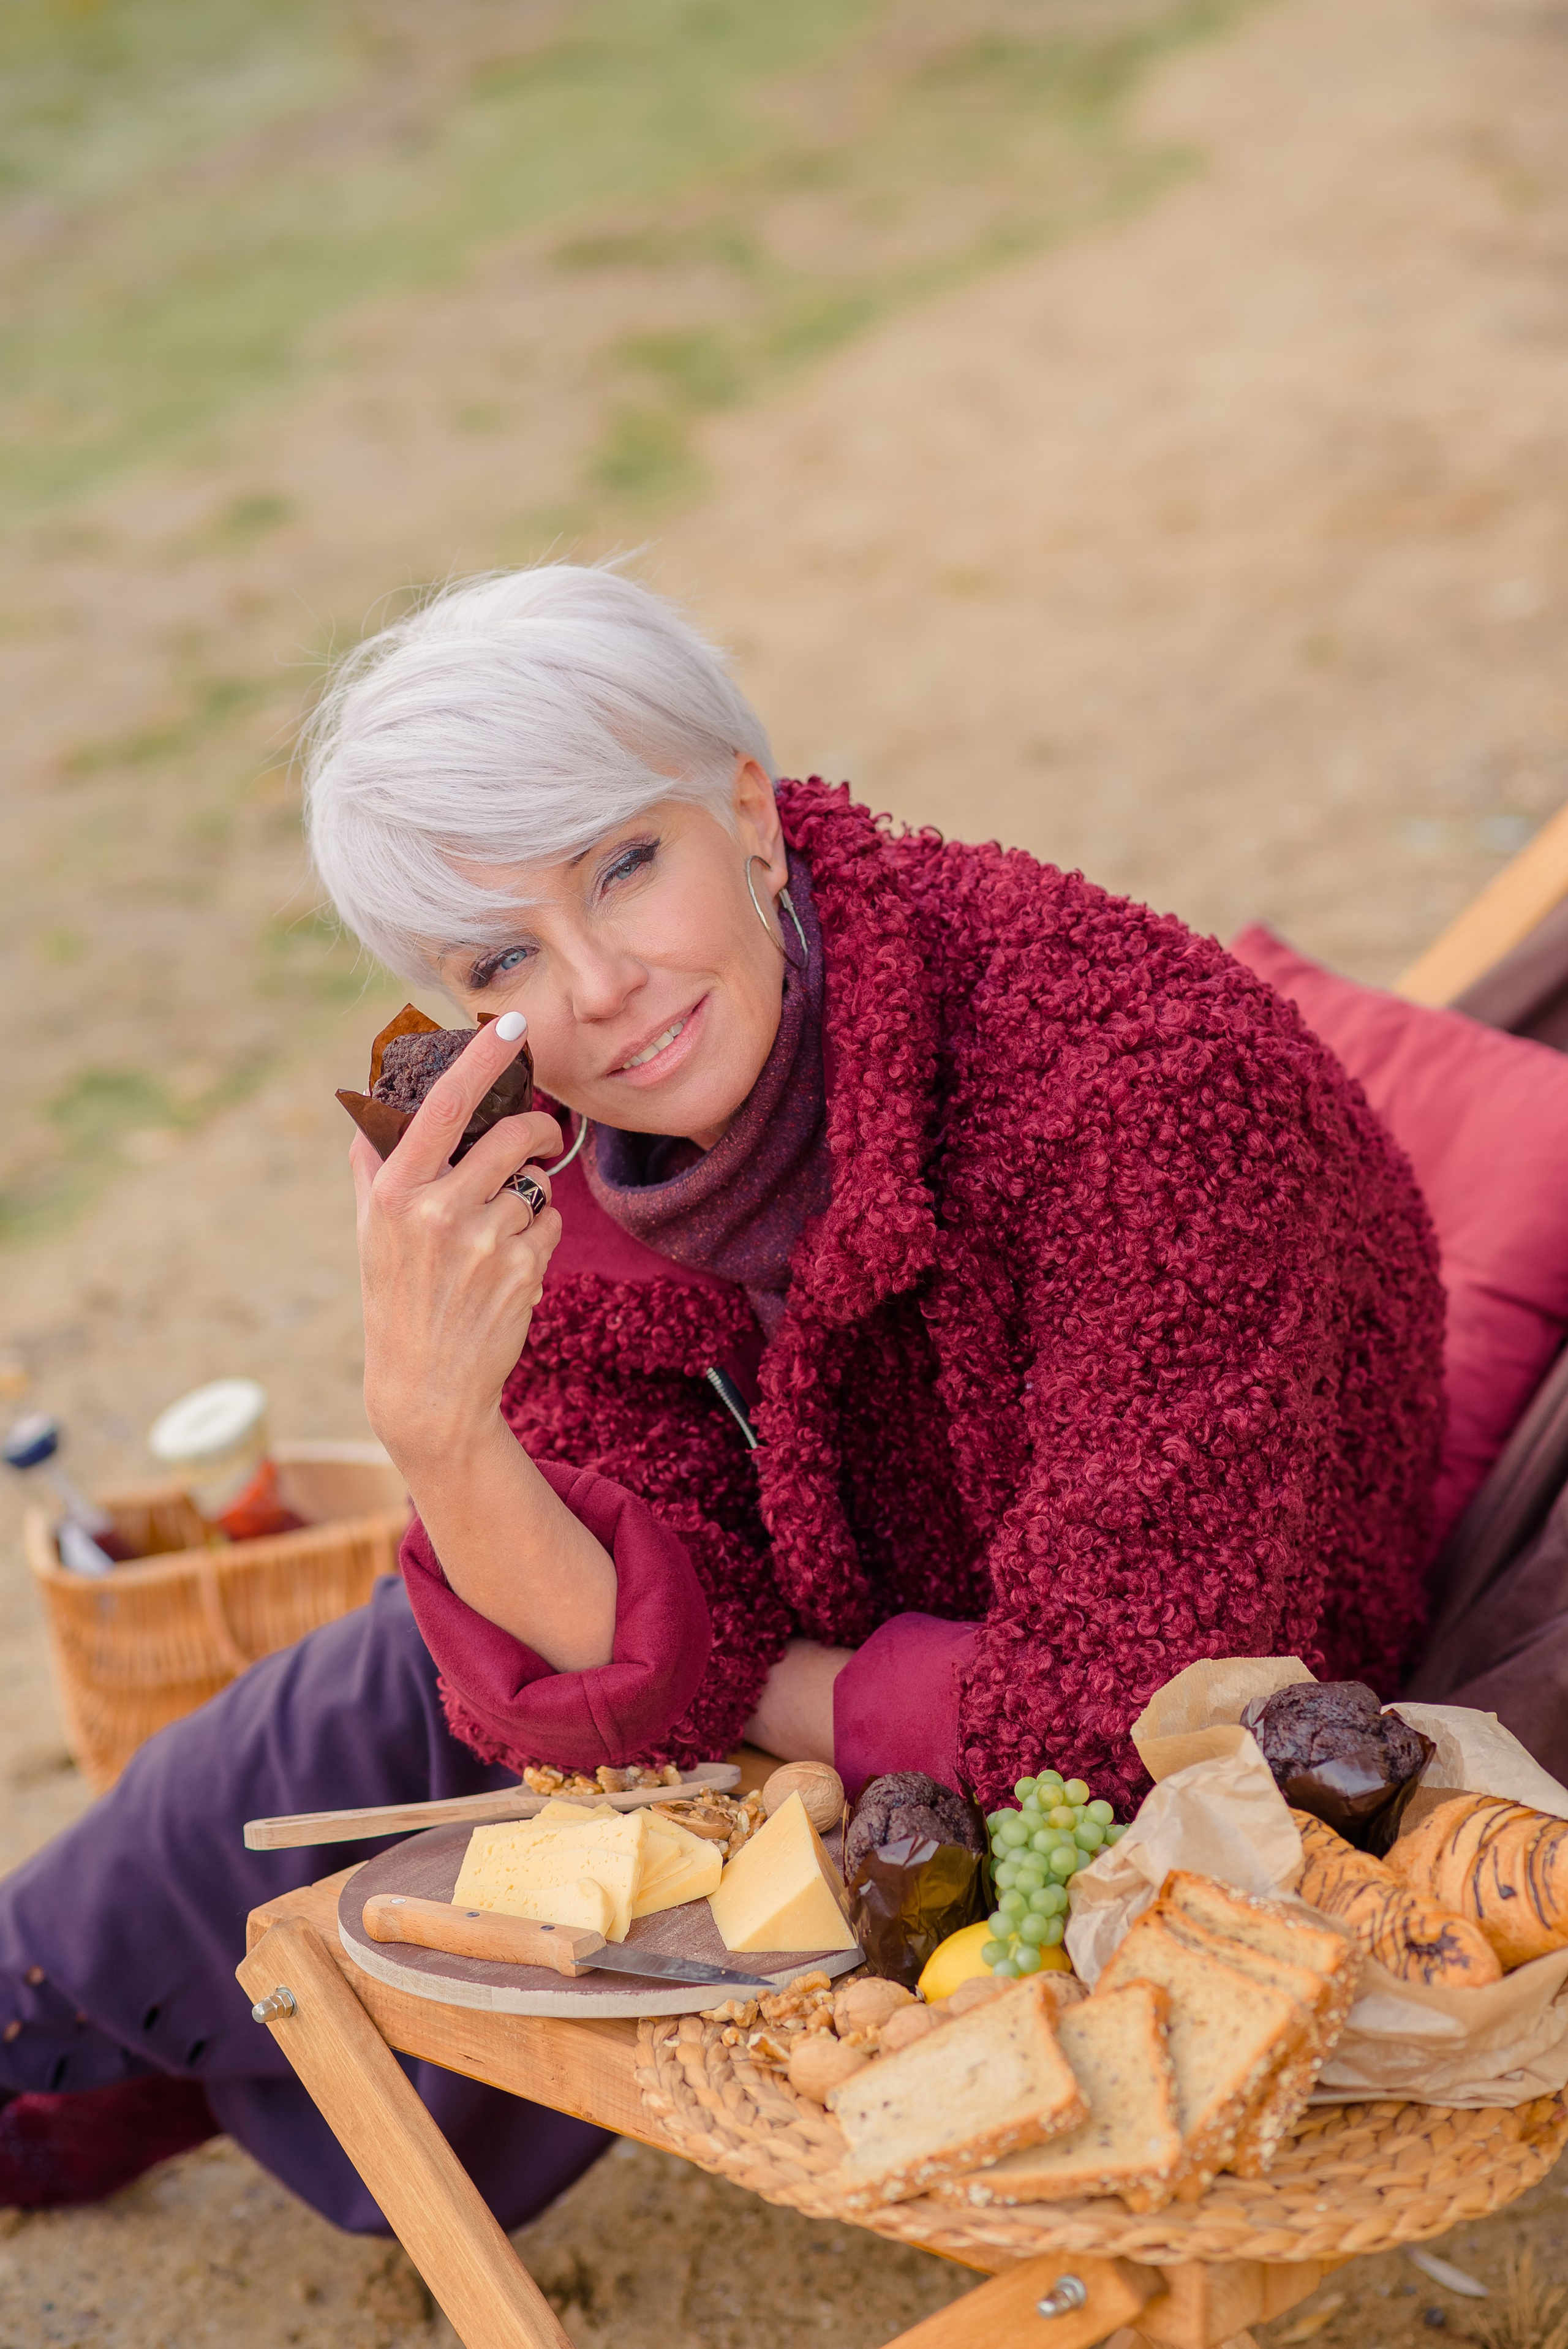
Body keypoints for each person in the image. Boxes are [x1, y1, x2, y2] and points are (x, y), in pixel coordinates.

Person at [0, 563, 1445, 2224]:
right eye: (506, 953)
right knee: (243, 1789)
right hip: (899, 1672)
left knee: (384, 1764)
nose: (600, 985)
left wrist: (730, 1673)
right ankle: (52, 2090)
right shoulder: (593, 1157)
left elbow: (1123, 1707)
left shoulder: (1136, 1090)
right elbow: (616, 1612)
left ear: (748, 815)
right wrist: (438, 1429)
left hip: (1190, 1751)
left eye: (625, 864)